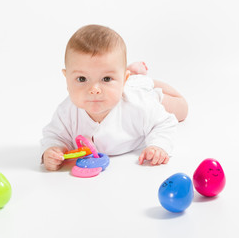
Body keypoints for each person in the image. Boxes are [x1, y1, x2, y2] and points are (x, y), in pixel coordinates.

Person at [40, 24, 188, 171]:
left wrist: (158, 145)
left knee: (182, 109)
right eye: (82, 79)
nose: (94, 90)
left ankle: (141, 79)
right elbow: (53, 135)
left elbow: (164, 123)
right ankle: (127, 74)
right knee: (121, 81)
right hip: (123, 82)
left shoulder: (139, 104)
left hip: (139, 90)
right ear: (67, 80)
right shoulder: (66, 112)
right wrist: (53, 149)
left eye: (106, 79)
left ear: (123, 80)